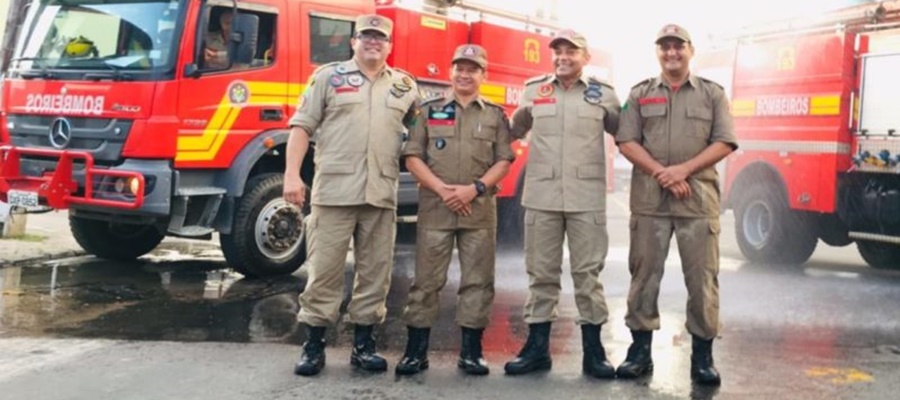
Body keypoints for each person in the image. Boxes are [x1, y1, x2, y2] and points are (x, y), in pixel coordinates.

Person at [283, 14, 419, 377]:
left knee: (375, 274)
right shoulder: (328, 77)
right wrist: (292, 176)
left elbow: (421, 140)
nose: (373, 42)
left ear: (390, 45)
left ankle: (363, 345)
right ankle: (314, 346)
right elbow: (301, 127)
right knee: (324, 272)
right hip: (334, 194)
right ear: (353, 42)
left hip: (380, 194)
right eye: (366, 36)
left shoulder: (406, 87)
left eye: (380, 38)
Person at [614, 23, 737, 386]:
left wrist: (682, 170)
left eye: (678, 47)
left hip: (697, 201)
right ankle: (639, 353)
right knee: (643, 277)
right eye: (665, 47)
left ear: (690, 51)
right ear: (658, 52)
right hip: (651, 201)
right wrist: (662, 173)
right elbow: (626, 140)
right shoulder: (639, 94)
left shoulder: (712, 94)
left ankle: (702, 357)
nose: (671, 53)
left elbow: (725, 141)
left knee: (702, 280)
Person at [504, 29, 621, 378]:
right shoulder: (533, 90)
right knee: (541, 273)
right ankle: (537, 349)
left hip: (586, 199)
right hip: (542, 196)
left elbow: (627, 135)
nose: (563, 57)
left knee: (587, 275)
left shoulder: (605, 95)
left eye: (571, 51)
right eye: (558, 51)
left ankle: (594, 352)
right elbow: (514, 128)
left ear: (586, 57)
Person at [395, 44, 514, 376]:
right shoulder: (428, 110)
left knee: (478, 281)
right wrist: (441, 189)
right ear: (450, 72)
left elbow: (503, 160)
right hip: (437, 207)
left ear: (483, 75)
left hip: (478, 210)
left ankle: (472, 352)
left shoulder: (494, 115)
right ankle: (416, 351)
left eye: (472, 68)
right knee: (426, 281)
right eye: (459, 67)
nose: (465, 74)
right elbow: (413, 156)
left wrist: (473, 189)